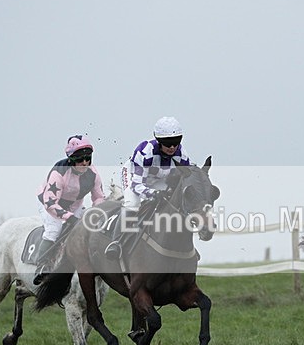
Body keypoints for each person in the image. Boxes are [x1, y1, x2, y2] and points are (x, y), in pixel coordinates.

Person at [104, 116, 191, 259]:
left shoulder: (182, 155)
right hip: (135, 176)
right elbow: (137, 184)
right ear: (158, 140)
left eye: (176, 142)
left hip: (159, 178)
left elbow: (185, 179)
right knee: (132, 204)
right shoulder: (145, 152)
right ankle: (116, 242)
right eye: (167, 143)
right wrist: (152, 194)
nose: (172, 147)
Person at [34, 134, 105, 280]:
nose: (85, 163)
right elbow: (50, 203)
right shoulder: (59, 172)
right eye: (80, 159)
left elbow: (98, 197)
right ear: (71, 158)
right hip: (49, 203)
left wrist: (96, 213)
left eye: (88, 158)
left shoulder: (93, 173)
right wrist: (69, 217)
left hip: (75, 205)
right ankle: (42, 265)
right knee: (54, 229)